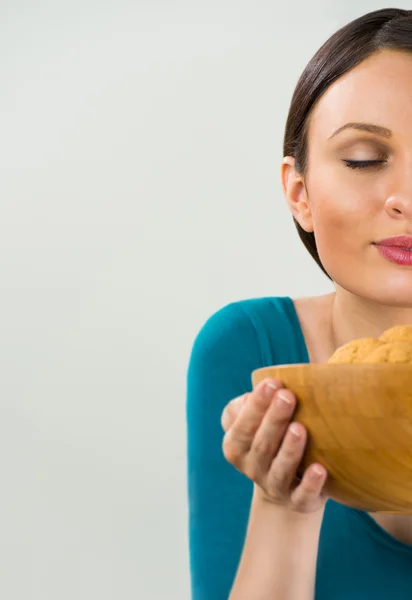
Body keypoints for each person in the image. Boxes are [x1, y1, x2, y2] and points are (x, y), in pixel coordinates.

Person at [186, 7, 412, 600]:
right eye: (365, 159)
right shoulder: (251, 351)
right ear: (299, 192)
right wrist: (282, 503)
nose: (407, 199)